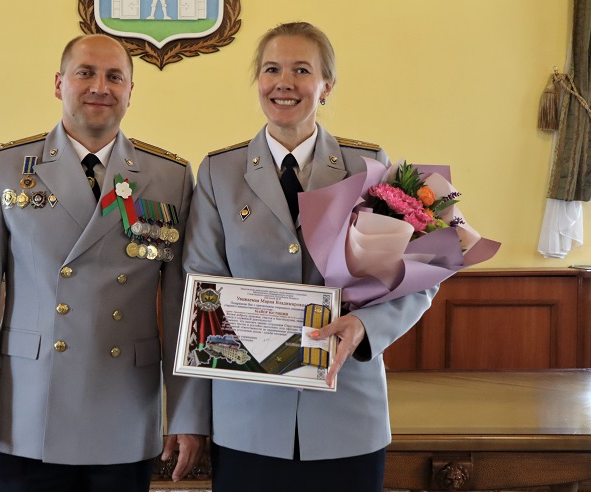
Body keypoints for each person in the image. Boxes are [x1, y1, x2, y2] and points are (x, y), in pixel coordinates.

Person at [0, 34, 209, 491]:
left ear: (130, 91)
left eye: (114, 77)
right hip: (30, 407)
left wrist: (187, 413)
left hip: (124, 404)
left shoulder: (169, 176)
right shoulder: (7, 168)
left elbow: (183, 308)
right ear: (59, 83)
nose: (99, 87)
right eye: (85, 73)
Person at [182, 22, 438, 491]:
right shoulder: (220, 172)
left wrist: (366, 326)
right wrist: (191, 417)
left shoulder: (367, 165)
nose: (284, 82)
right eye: (271, 69)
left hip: (347, 414)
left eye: (301, 70)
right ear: (258, 81)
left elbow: (424, 272)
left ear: (326, 86)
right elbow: (202, 290)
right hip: (248, 420)